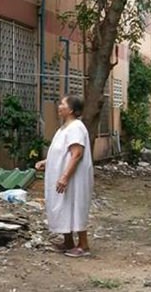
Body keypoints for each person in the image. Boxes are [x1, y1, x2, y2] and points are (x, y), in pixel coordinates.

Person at [35, 95, 94, 258]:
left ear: (71, 110)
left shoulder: (76, 127)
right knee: (64, 207)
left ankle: (83, 245)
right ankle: (68, 242)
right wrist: (47, 161)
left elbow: (76, 154)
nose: (59, 106)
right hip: (65, 176)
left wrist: (65, 177)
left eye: (62, 104)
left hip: (74, 178)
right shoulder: (65, 128)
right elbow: (63, 152)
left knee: (75, 207)